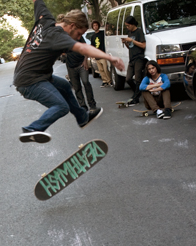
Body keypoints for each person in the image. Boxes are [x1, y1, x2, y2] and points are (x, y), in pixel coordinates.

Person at [14, 0, 124, 143]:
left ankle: (82, 118)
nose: (79, 38)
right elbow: (83, 48)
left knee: (65, 86)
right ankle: (32, 129)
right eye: (79, 34)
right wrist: (110, 57)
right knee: (61, 106)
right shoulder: (59, 37)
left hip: (36, 76)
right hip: (30, 81)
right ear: (72, 26)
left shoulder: (46, 19)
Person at [65, 36, 97, 111]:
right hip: (71, 67)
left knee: (86, 82)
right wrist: (68, 71)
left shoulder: (78, 35)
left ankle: (92, 104)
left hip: (82, 65)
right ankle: (82, 105)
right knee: (77, 87)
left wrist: (85, 61)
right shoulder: (64, 37)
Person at [122, 16, 146, 106]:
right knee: (128, 78)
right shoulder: (130, 33)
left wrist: (132, 40)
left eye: (128, 26)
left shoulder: (139, 32)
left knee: (138, 78)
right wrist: (126, 43)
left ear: (132, 24)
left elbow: (143, 45)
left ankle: (135, 98)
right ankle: (137, 93)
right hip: (131, 58)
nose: (127, 28)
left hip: (139, 57)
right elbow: (130, 47)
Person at [89, 20, 112, 88]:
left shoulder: (102, 33)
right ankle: (104, 81)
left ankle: (109, 81)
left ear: (98, 26)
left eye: (96, 25)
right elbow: (92, 46)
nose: (95, 27)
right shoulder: (93, 36)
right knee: (100, 70)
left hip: (103, 54)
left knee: (105, 69)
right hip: (97, 56)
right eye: (94, 26)